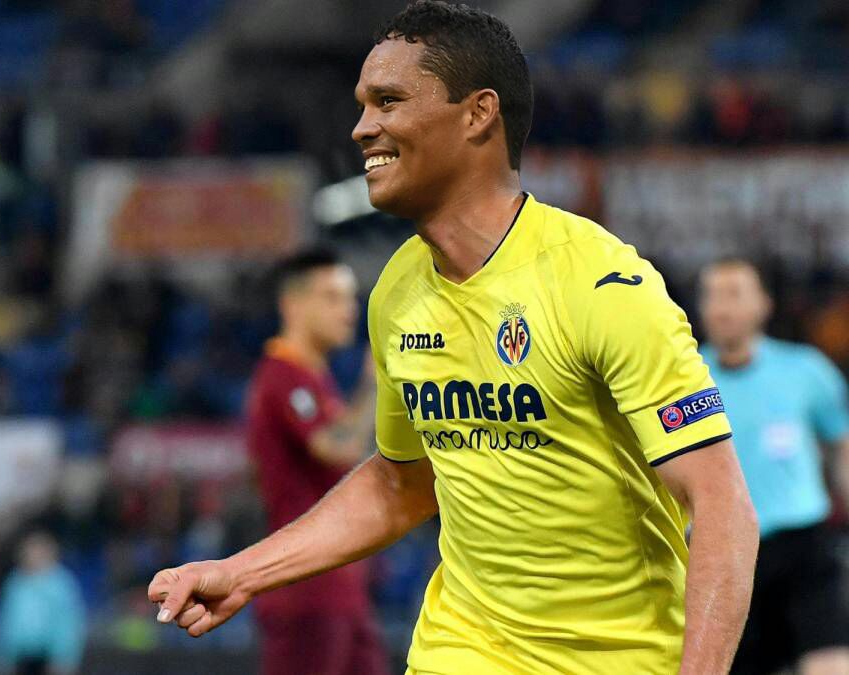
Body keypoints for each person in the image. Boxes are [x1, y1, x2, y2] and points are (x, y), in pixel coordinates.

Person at [148, 2, 759, 673]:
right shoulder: (397, 292)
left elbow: (722, 503)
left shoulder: (600, 284)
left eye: (388, 101)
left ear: (478, 114)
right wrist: (241, 572)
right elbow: (399, 483)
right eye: (362, 105)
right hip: (459, 651)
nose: (362, 128)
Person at [698, 259, 849, 675]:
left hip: (802, 547)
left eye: (734, 294)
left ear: (762, 304)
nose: (721, 308)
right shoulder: (684, 379)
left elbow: (841, 446)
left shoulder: (806, 370)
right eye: (712, 296)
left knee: (832, 664)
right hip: (721, 556)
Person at [244, 248, 386, 675]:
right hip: (306, 591)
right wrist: (375, 381)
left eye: (350, 297)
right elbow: (338, 448)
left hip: (339, 589)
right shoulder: (283, 375)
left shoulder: (315, 380)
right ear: (293, 304)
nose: (349, 310)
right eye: (332, 297)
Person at [0, 531, 86, 675]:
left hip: (50, 656)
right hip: (19, 656)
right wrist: (1, 656)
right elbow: (7, 621)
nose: (32, 556)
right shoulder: (15, 582)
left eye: (37, 551)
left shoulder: (61, 584)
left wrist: (65, 657)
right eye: (28, 551)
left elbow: (68, 623)